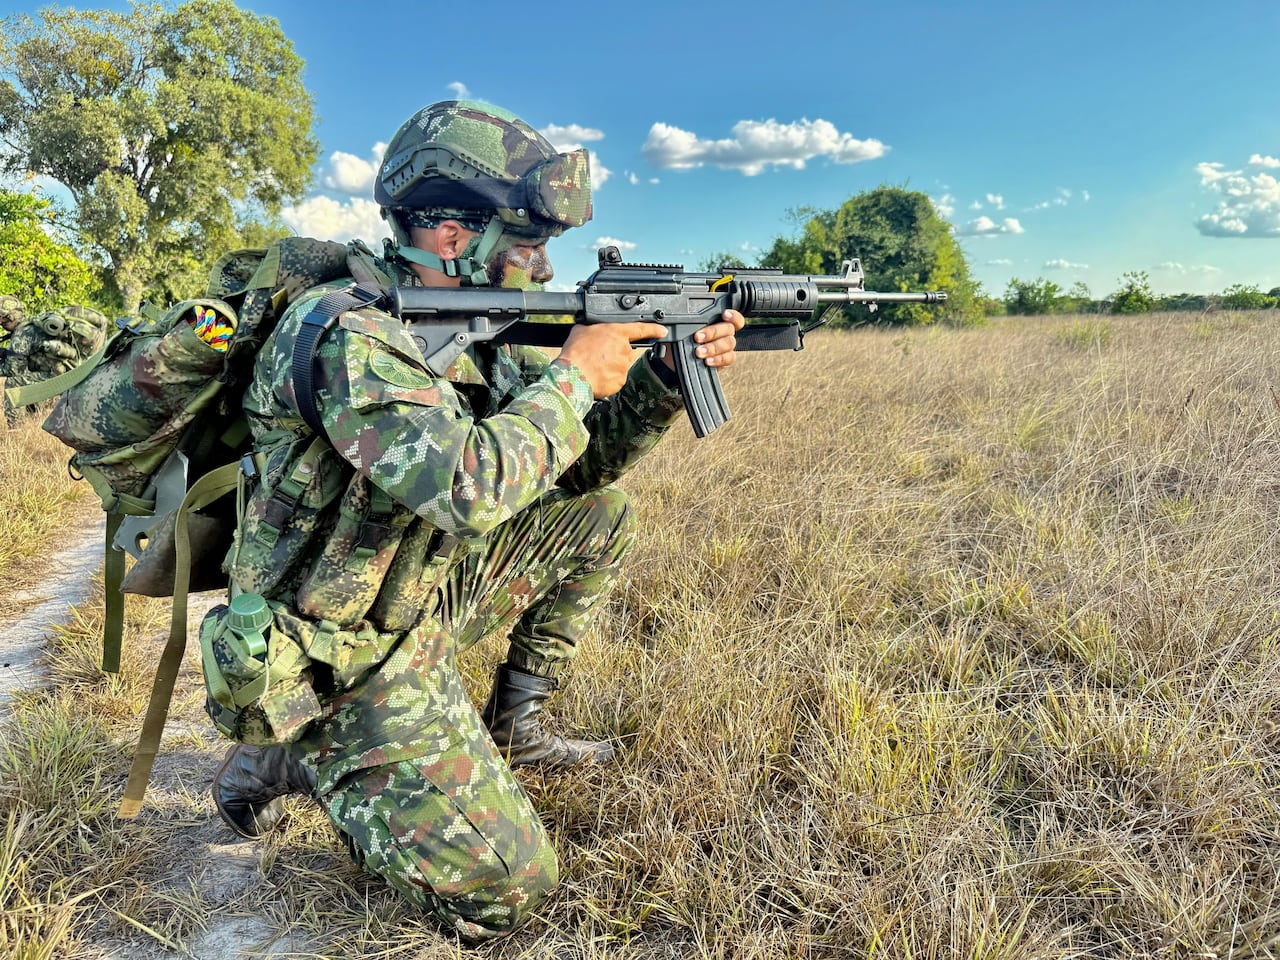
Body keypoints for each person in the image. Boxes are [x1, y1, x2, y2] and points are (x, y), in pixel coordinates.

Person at [208, 99, 743, 941]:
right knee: (508, 892)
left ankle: (515, 728)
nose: (540, 265)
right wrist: (572, 378)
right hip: (333, 653)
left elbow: (579, 466)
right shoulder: (350, 332)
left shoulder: (477, 328)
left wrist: (662, 381)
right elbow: (469, 487)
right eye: (529, 245)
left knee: (600, 515)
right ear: (454, 236)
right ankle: (307, 748)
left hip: (412, 597)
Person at [2, 302, 107, 422]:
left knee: (14, 383)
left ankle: (16, 428)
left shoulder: (21, 334)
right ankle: (33, 418)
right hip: (71, 371)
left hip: (60, 378)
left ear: (7, 318)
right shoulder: (33, 325)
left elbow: (12, 370)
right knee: (29, 376)